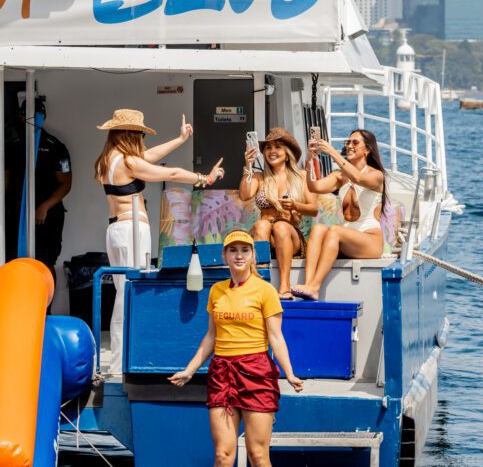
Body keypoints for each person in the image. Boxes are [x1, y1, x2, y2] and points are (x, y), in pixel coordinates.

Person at [95, 108, 224, 375]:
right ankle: (120, 365)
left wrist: (179, 140)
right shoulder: (130, 163)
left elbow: (148, 157)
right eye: (140, 134)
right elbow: (173, 174)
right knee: (128, 292)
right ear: (132, 134)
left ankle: (121, 360)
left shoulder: (108, 159)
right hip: (131, 229)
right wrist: (204, 178)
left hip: (116, 229)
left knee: (123, 290)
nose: (143, 139)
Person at [169, 229, 303, 467]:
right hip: (222, 373)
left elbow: (276, 336)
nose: (239, 255)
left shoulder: (265, 290)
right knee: (223, 455)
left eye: (245, 250)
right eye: (233, 250)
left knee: (258, 456)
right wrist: (190, 370)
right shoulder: (216, 291)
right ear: (225, 256)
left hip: (256, 372)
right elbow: (211, 336)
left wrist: (289, 373)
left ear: (253, 256)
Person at [292, 129, 387, 301]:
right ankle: (308, 285)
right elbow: (315, 187)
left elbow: (358, 178)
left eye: (355, 143)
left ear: (367, 150)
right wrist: (310, 159)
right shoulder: (340, 176)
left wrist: (331, 152)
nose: (349, 146)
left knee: (335, 230)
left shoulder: (376, 175)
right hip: (346, 240)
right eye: (348, 142)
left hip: (369, 241)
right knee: (318, 229)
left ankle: (315, 287)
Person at [239, 128, 317, 301]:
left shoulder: (301, 176)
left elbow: (314, 209)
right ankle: (260, 284)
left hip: (290, 237)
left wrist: (295, 205)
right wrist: (248, 166)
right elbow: (244, 195)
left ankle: (284, 287)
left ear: (287, 153)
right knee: (262, 224)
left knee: (281, 226)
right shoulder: (259, 177)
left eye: (278, 147)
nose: (272, 151)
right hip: (265, 237)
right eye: (268, 148)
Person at [4, 97, 72, 284]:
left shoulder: (55, 146)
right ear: (21, 116)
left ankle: (45, 309)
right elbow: (6, 181)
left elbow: (66, 183)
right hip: (16, 214)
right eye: (28, 115)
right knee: (14, 261)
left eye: (38, 115)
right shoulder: (13, 146)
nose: (33, 119)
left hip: (47, 215)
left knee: (46, 262)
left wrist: (44, 207)